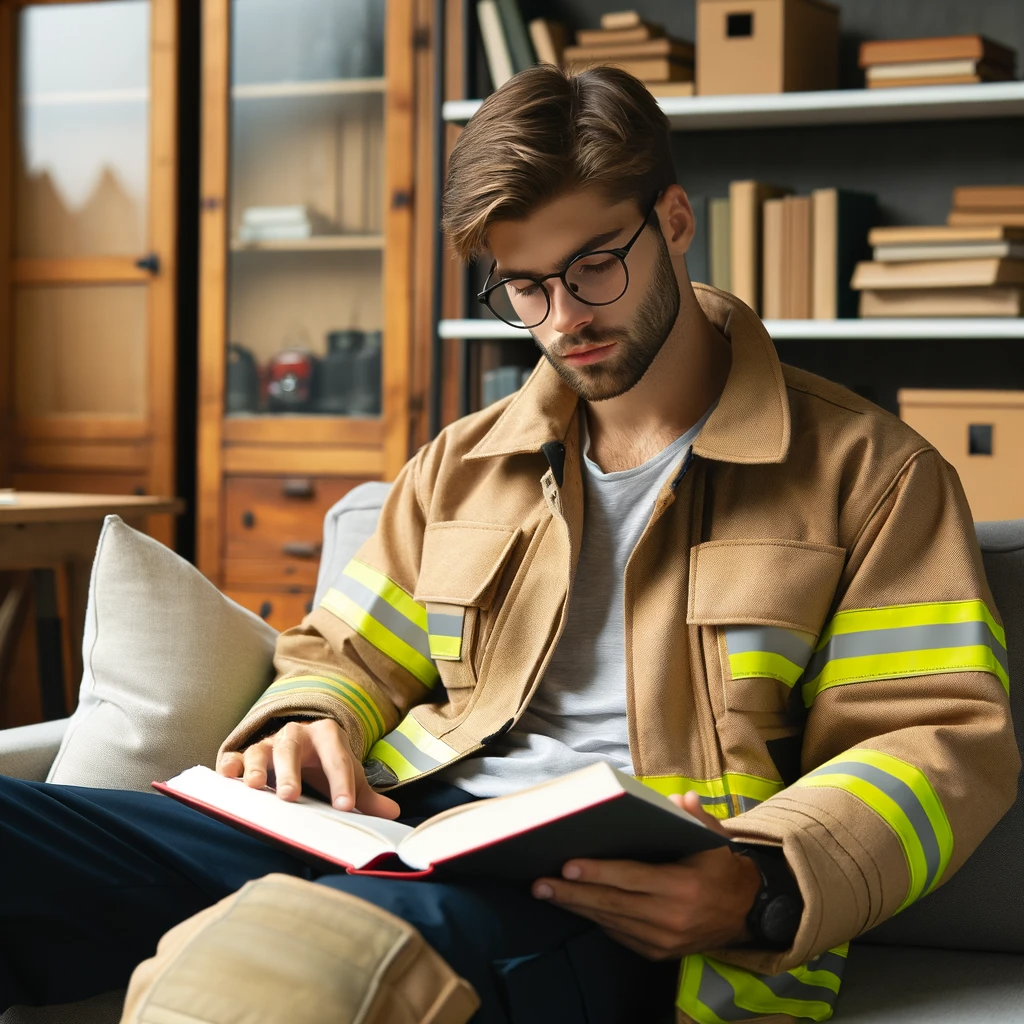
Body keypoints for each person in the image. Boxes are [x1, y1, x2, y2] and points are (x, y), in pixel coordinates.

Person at [0, 64, 1018, 1024]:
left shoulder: (871, 474)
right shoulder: (464, 462)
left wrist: (761, 882)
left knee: (320, 958)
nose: (561, 318)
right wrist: (311, 716)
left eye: (593, 267)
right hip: (395, 837)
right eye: (523, 287)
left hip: (623, 908)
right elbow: (347, 652)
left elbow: (932, 740)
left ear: (672, 219)